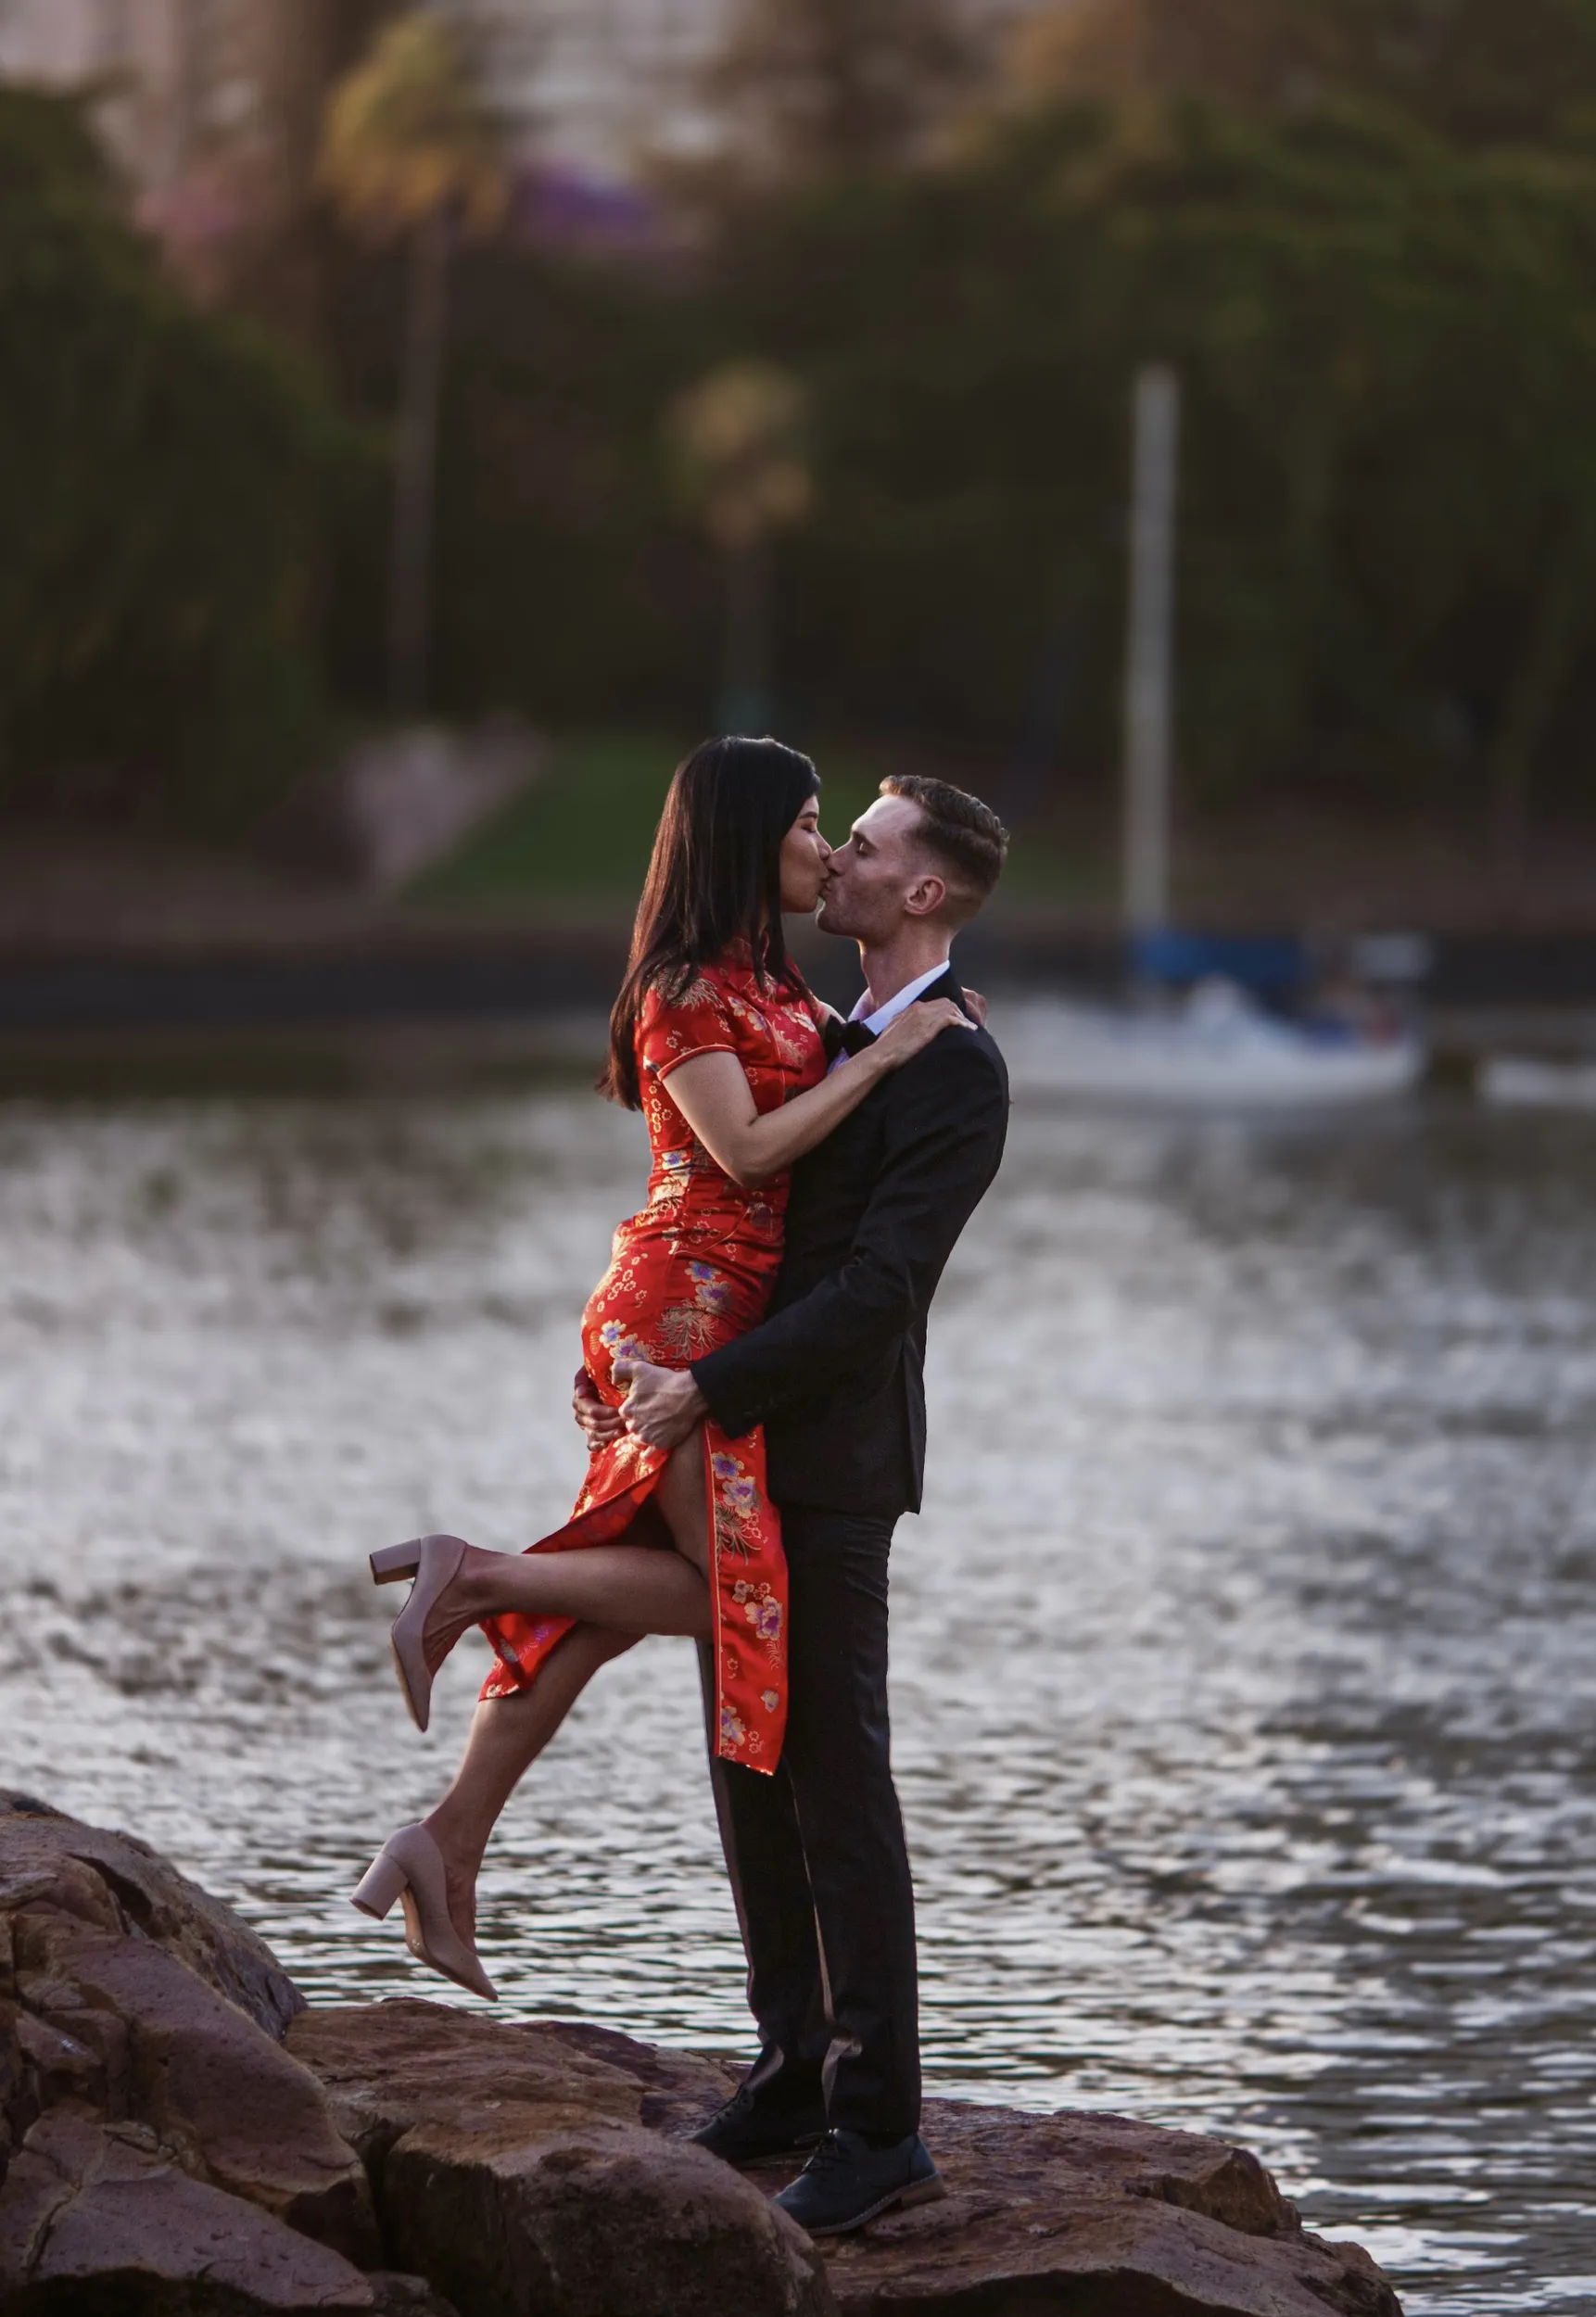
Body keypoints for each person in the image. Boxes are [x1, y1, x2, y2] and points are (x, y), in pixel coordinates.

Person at [350, 736, 966, 2002]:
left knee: (611, 1607)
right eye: (806, 826)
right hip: (676, 1318)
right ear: (747, 840)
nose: (824, 849)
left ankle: (443, 1842)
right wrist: (892, 1060)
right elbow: (741, 1155)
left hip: (723, 1322)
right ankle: (473, 1571)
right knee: (737, 1598)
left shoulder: (784, 990)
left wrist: (881, 1045)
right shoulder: (684, 986)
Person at [582, 771, 1011, 2235]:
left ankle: (881, 2128)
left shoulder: (954, 1066)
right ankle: (789, 2072)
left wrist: (714, 1388)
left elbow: (881, 1288)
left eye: (871, 846)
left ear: (924, 895)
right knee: (746, 1759)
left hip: (825, 1459)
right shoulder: (828, 1032)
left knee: (838, 1780)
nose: (840, 857)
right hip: (745, 1447)